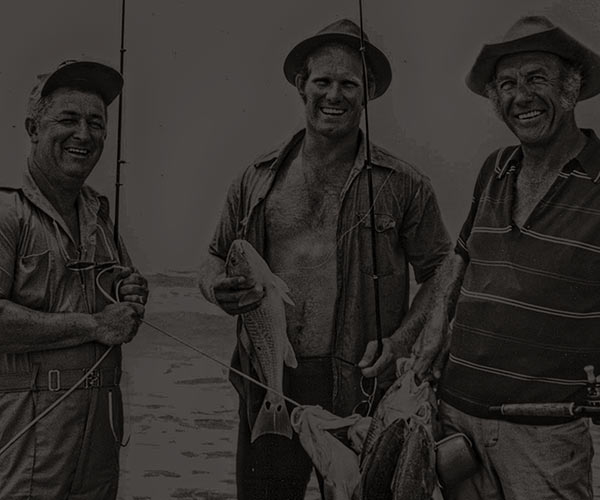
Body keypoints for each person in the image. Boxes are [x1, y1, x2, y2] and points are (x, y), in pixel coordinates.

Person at [198, 19, 451, 500]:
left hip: (361, 387)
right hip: (269, 381)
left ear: (368, 91)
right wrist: (216, 287)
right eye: (323, 81)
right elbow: (214, 256)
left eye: (349, 84)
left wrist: (401, 341)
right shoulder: (255, 180)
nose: (334, 95)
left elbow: (443, 269)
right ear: (301, 84)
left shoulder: (404, 184)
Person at [405, 16, 600, 499]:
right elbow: (460, 257)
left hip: (545, 437)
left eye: (536, 79)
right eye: (508, 84)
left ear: (571, 87)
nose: (521, 96)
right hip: (455, 423)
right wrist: (436, 324)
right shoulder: (495, 168)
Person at [0, 60, 148, 499]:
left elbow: (121, 300)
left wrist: (130, 292)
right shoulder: (7, 212)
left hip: (101, 435)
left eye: (96, 123)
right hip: (27, 434)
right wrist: (94, 324)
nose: (84, 134)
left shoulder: (99, 213)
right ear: (33, 128)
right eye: (68, 120)